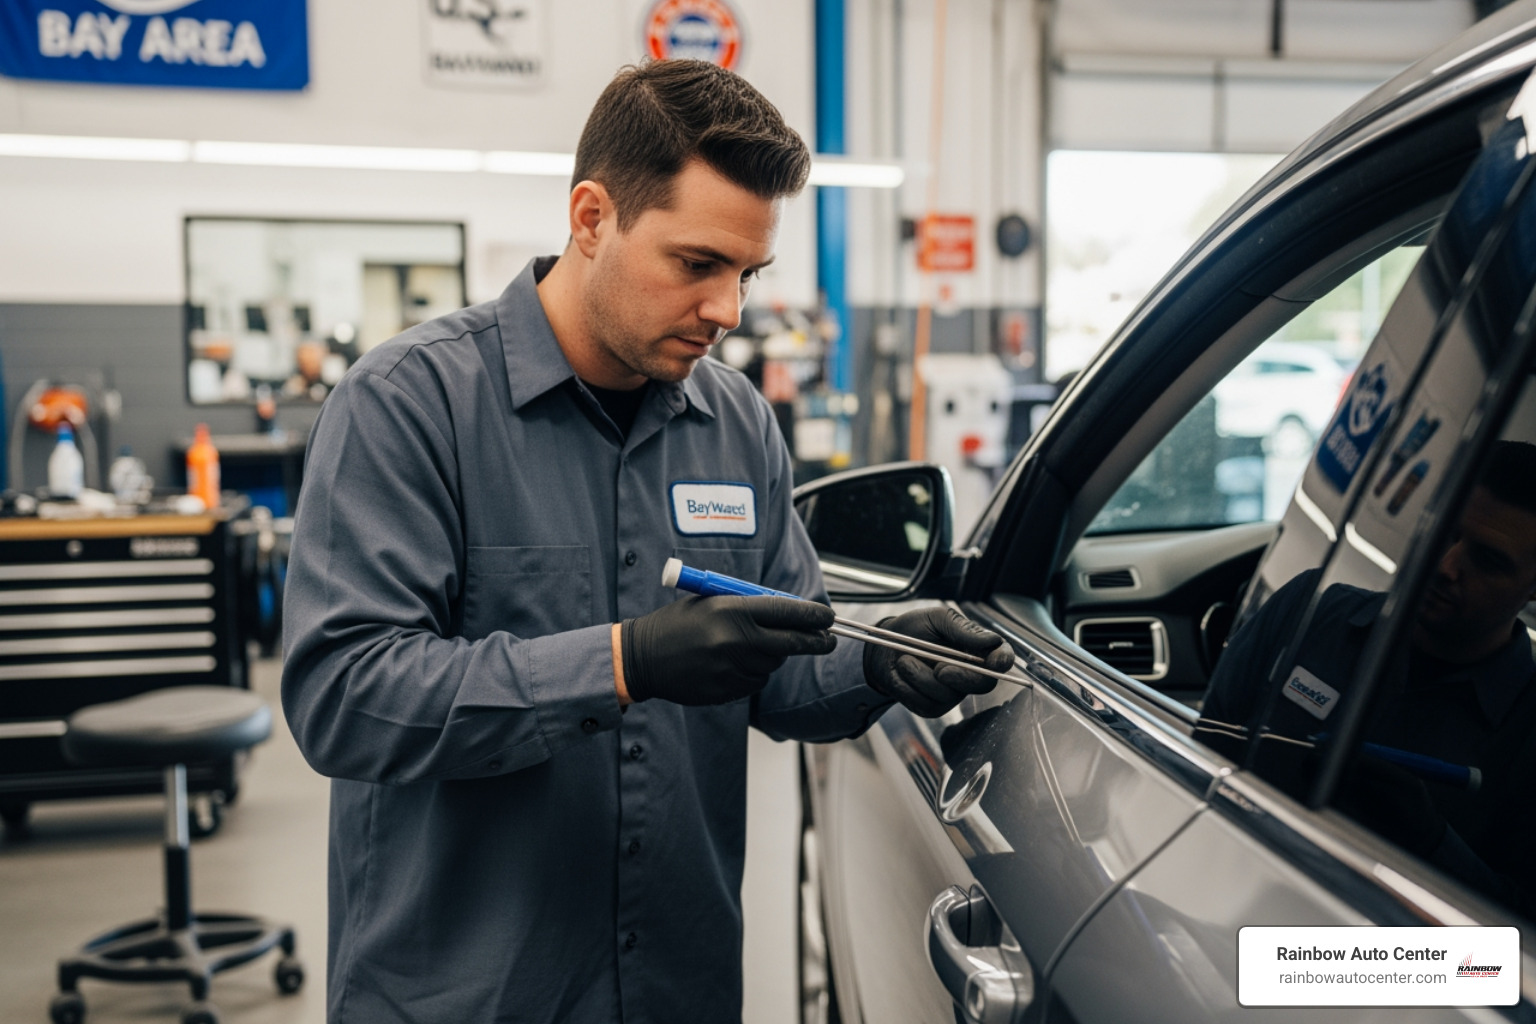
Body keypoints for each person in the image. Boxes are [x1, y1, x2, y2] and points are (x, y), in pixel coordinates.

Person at [281, 59, 1013, 1024]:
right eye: (698, 264)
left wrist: (882, 660)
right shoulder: (408, 406)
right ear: (592, 218)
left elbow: (779, 668)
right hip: (468, 992)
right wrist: (623, 662)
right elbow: (346, 698)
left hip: (677, 982)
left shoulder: (736, 421)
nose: (729, 312)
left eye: (748, 275)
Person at [1198, 440, 1536, 915]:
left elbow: (1517, 948)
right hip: (1223, 900)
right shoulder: (1305, 611)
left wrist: (1431, 844)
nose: (1446, 566)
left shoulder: (1528, 729)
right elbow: (1198, 763)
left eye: (1488, 560)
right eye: (1443, 532)